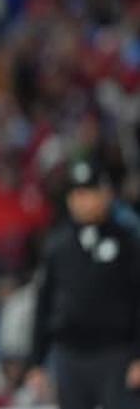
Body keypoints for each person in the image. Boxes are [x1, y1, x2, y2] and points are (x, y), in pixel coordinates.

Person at [26, 156, 140, 409]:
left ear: (107, 194)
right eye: (77, 193)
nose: (82, 200)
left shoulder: (128, 243)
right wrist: (36, 362)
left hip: (116, 353)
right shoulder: (57, 245)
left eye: (89, 192)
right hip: (69, 354)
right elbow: (44, 304)